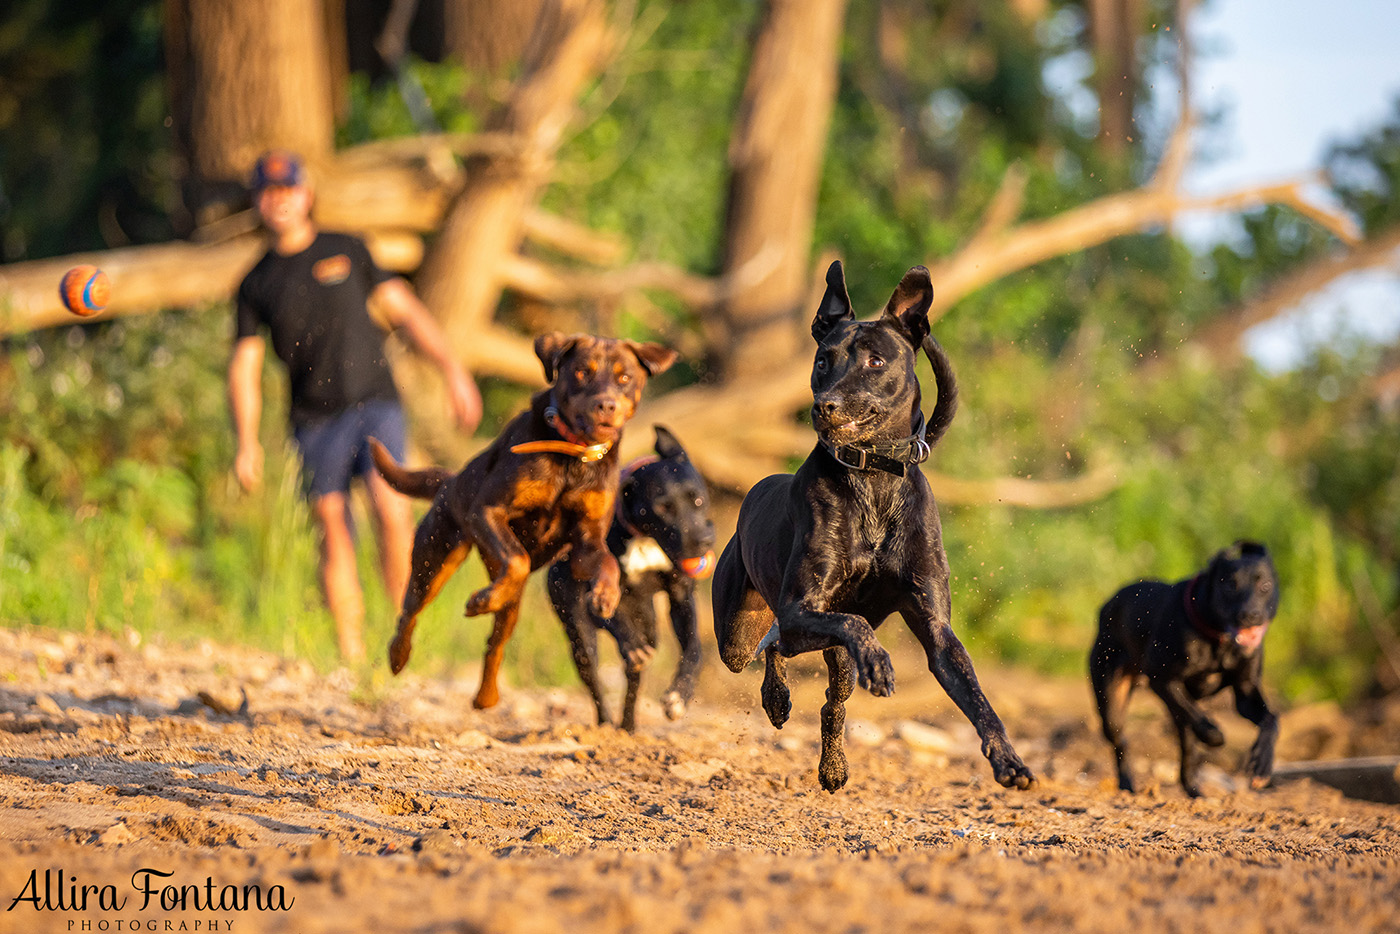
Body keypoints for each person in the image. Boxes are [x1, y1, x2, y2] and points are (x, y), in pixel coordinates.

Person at [228, 150, 482, 663]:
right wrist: (246, 442)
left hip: (376, 403)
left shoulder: (347, 248)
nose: (279, 201)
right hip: (314, 419)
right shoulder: (255, 283)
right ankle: (348, 653)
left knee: (392, 512)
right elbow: (245, 368)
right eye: (268, 192)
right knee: (331, 524)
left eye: (288, 189)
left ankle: (403, 631)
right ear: (258, 201)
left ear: (306, 195)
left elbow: (404, 311)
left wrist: (453, 370)